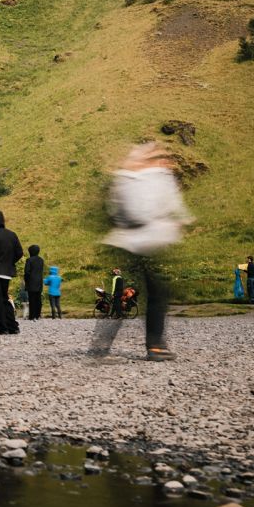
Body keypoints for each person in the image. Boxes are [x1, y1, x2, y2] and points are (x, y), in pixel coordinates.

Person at [92, 142, 195, 362]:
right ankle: (153, 346)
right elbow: (138, 211)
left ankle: (106, 347)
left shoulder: (133, 178)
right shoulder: (134, 179)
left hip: (136, 243)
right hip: (137, 243)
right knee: (151, 293)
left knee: (140, 294)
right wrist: (169, 220)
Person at [23, 245, 45, 322]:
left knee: (32, 299)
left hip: (31, 282)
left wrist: (26, 280)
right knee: (38, 299)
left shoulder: (29, 260)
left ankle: (32, 316)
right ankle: (37, 315)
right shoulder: (41, 260)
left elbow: (27, 272)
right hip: (39, 281)